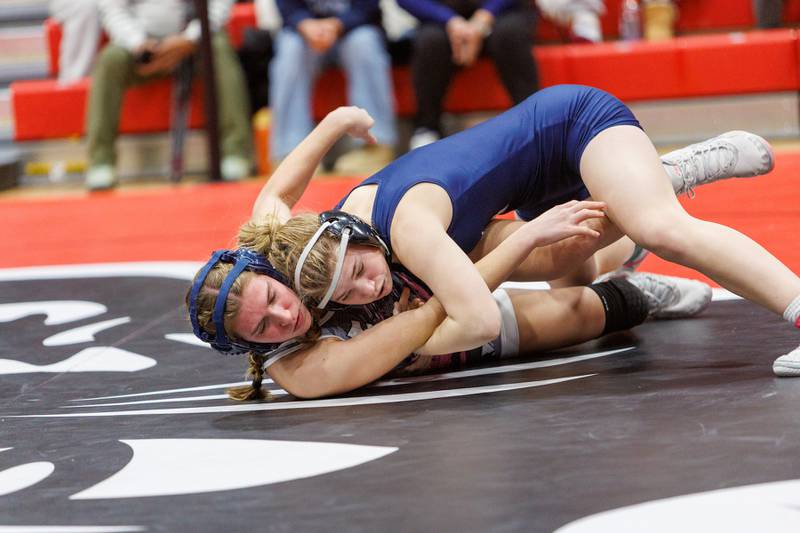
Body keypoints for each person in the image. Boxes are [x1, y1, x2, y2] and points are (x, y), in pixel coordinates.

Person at [246, 85, 800, 375]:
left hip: (572, 126)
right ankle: (642, 236)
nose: (369, 289)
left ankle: (672, 177)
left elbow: (480, 319)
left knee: (661, 229)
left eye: (362, 274)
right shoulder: (310, 247)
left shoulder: (409, 233)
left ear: (362, 240)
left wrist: (403, 345)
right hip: (527, 193)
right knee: (567, 275)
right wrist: (335, 124)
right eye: (349, 294)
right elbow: (273, 198)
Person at [85, 0, 252, 189]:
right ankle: (101, 162)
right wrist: (138, 42)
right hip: (143, 45)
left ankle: (235, 152)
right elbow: (112, 9)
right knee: (109, 60)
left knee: (220, 50)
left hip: (197, 38)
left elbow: (219, 5)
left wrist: (190, 38)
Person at [269, 0, 397, 174]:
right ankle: (290, 153)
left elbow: (369, 6)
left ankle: (376, 146)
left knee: (364, 45)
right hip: (304, 32)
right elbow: (286, 5)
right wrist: (304, 23)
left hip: (355, 27)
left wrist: (338, 24)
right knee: (290, 51)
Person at [398, 0, 540, 150]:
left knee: (510, 34)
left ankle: (533, 125)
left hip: (502, 13)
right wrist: (451, 21)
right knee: (430, 41)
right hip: (442, 20)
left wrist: (484, 17)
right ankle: (427, 129)